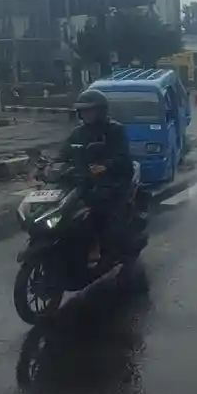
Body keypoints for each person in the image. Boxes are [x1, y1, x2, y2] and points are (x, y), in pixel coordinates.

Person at [57, 88, 134, 265]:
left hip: (113, 179)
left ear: (101, 110)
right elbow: (63, 153)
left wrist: (106, 166)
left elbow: (123, 157)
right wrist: (49, 167)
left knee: (94, 204)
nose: (86, 114)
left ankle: (97, 245)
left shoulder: (114, 130)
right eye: (83, 110)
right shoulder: (78, 132)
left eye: (90, 110)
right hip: (83, 178)